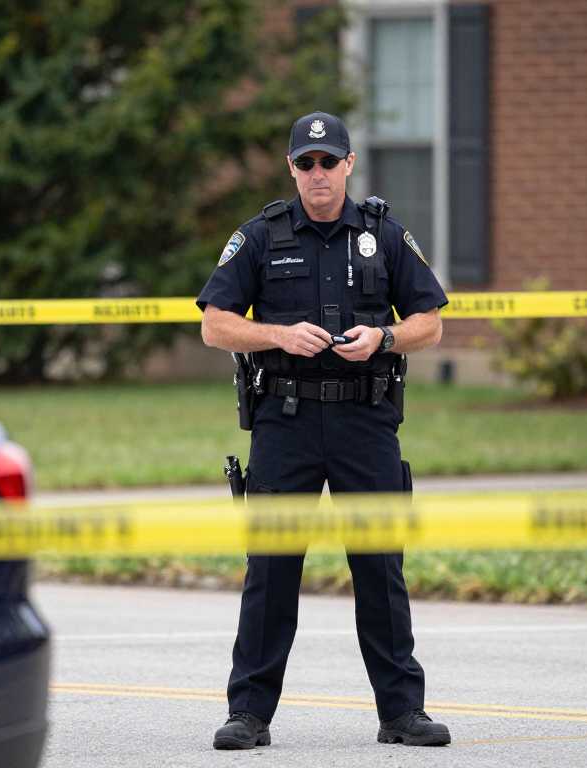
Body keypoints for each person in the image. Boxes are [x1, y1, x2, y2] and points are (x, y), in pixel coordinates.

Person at [196, 111, 450, 750]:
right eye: (305, 163)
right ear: (291, 168)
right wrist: (277, 335)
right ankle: (249, 713)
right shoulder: (261, 235)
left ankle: (401, 714)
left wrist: (384, 338)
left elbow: (431, 322)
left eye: (328, 162)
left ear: (349, 164)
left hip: (366, 419)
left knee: (379, 567)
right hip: (285, 421)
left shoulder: (383, 233)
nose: (318, 174)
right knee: (272, 569)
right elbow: (216, 324)